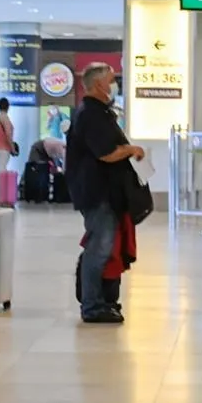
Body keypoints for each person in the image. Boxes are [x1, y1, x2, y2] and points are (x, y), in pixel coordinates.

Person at [67, 63, 145, 325]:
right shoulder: (90, 114)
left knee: (106, 247)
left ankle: (104, 301)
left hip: (106, 192)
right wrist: (130, 150)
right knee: (99, 249)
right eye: (112, 80)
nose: (114, 85)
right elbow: (106, 153)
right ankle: (92, 305)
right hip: (96, 192)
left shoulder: (101, 112)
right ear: (99, 84)